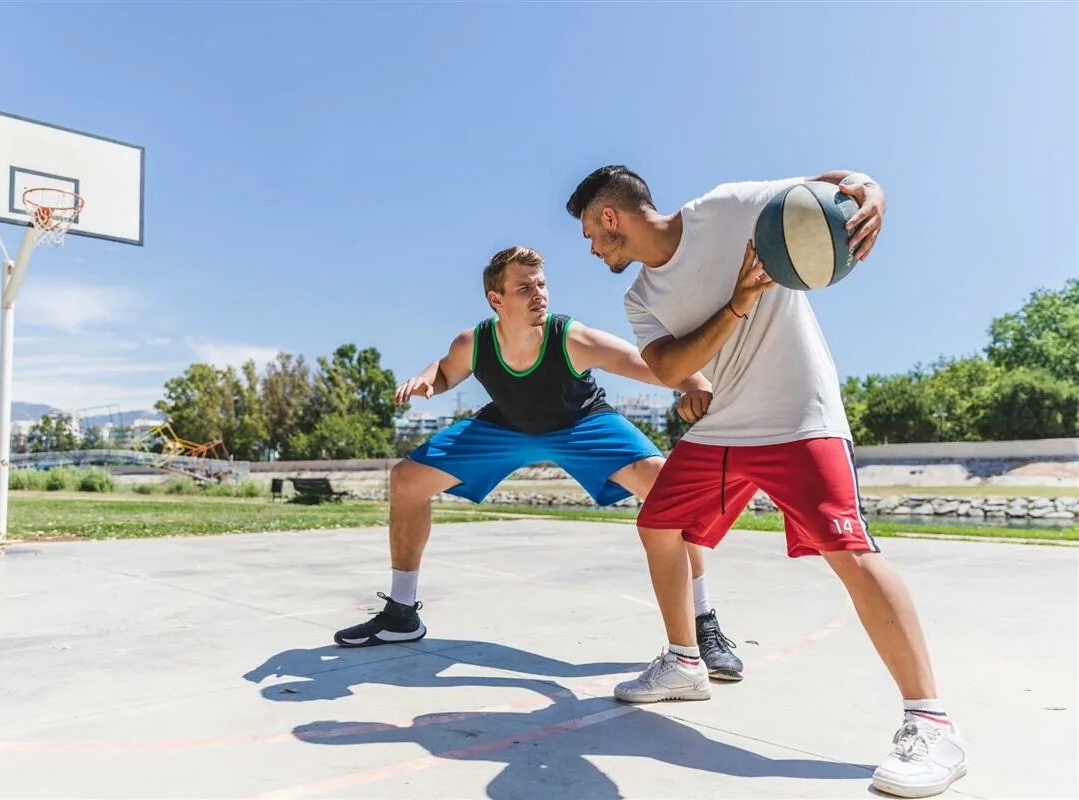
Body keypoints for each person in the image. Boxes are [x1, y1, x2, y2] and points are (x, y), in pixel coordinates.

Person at [565, 166, 966, 798]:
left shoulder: (725, 210)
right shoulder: (640, 296)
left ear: (610, 216)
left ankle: (931, 723)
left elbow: (830, 186)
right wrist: (736, 305)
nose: (590, 247)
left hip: (798, 416)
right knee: (659, 523)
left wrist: (873, 192)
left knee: (850, 554)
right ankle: (685, 660)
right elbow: (669, 367)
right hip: (724, 427)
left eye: (590, 231)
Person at [334, 245, 745, 683]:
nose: (539, 294)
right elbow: (446, 371)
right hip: (507, 426)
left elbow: (645, 363)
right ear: (497, 300)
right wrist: (427, 381)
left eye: (542, 284)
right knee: (407, 480)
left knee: (668, 490)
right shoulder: (475, 343)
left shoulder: (570, 338)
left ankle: (702, 624)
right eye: (524, 287)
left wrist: (697, 382)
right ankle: (401, 614)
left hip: (581, 422)